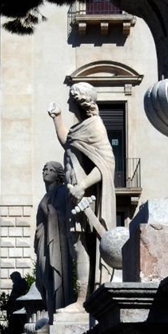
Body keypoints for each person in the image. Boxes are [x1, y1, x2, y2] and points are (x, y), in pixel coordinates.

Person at [48, 82, 116, 305]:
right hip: (74, 197)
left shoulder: (95, 126)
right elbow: (67, 140)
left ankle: (83, 298)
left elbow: (107, 164)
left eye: (70, 98)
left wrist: (82, 185)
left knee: (83, 246)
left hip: (85, 198)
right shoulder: (80, 128)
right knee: (77, 246)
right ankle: (82, 297)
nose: (67, 101)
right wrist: (57, 118)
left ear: (78, 101)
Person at [34, 161, 74, 322]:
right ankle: (52, 317)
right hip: (43, 240)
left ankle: (57, 316)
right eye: (44, 169)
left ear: (58, 175)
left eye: (50, 170)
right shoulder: (46, 196)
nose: (45, 172)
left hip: (56, 241)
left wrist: (46, 208)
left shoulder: (62, 191)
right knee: (45, 280)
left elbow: (61, 217)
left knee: (53, 278)